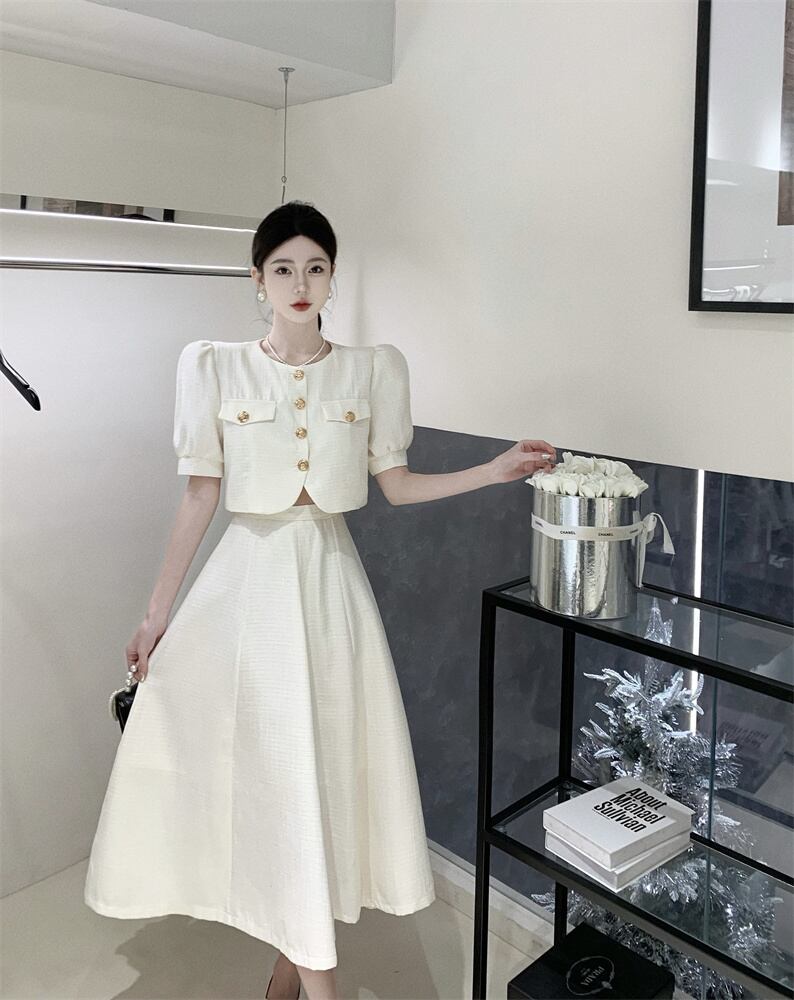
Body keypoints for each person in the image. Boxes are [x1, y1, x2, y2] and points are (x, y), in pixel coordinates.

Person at [83, 200, 556, 1000]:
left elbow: (397, 487)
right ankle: (313, 979)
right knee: (269, 776)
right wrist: (157, 612)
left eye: (315, 267)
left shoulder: (373, 369)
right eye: (283, 268)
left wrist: (493, 470)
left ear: (333, 277)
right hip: (245, 592)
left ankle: (288, 969)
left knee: (316, 774)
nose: (299, 283)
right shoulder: (214, 366)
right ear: (257, 280)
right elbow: (200, 495)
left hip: (332, 589)